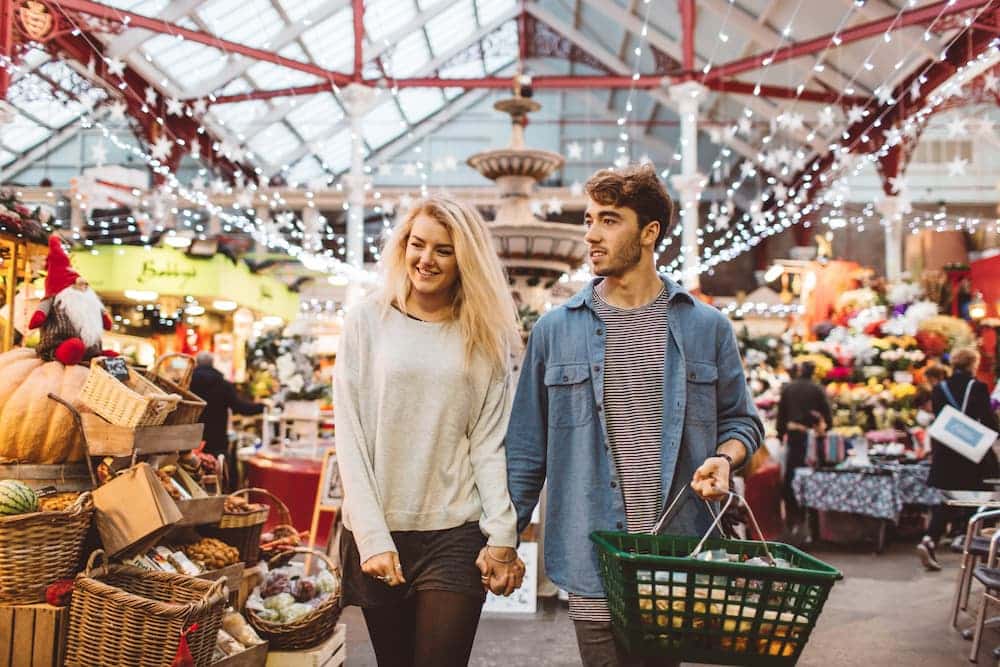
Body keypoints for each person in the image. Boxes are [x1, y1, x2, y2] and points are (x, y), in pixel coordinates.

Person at [504, 164, 764, 667]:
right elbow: (526, 450)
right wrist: (503, 540)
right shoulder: (554, 331)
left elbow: (743, 422)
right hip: (590, 548)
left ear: (649, 233)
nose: (591, 235)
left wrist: (726, 459)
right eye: (588, 219)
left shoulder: (705, 327)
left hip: (677, 551)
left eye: (609, 220)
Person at [335, 197, 525, 667]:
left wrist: (503, 534)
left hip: (455, 531)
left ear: (465, 259)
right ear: (402, 247)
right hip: (383, 528)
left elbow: (488, 441)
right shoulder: (367, 320)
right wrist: (373, 538)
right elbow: (351, 439)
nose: (426, 259)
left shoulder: (484, 333)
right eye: (417, 244)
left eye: (443, 250)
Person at [918, 347, 1000, 571]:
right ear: (972, 364)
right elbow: (988, 421)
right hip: (969, 452)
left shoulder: (939, 389)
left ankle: (929, 539)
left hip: (945, 451)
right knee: (979, 498)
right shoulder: (978, 387)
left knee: (946, 500)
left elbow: (940, 417)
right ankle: (971, 541)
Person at [189, 351, 265, 487]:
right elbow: (240, 407)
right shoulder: (223, 384)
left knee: (191, 470)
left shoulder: (188, 383)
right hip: (217, 437)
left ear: (197, 363)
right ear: (212, 364)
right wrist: (262, 407)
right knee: (219, 470)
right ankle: (221, 494)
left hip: (193, 437)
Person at [775, 360, 832, 530]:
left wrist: (780, 434)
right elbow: (827, 415)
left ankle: (794, 514)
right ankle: (812, 519)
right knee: (814, 475)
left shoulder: (789, 389)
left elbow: (781, 415)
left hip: (795, 438)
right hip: (813, 438)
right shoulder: (817, 389)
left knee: (792, 476)